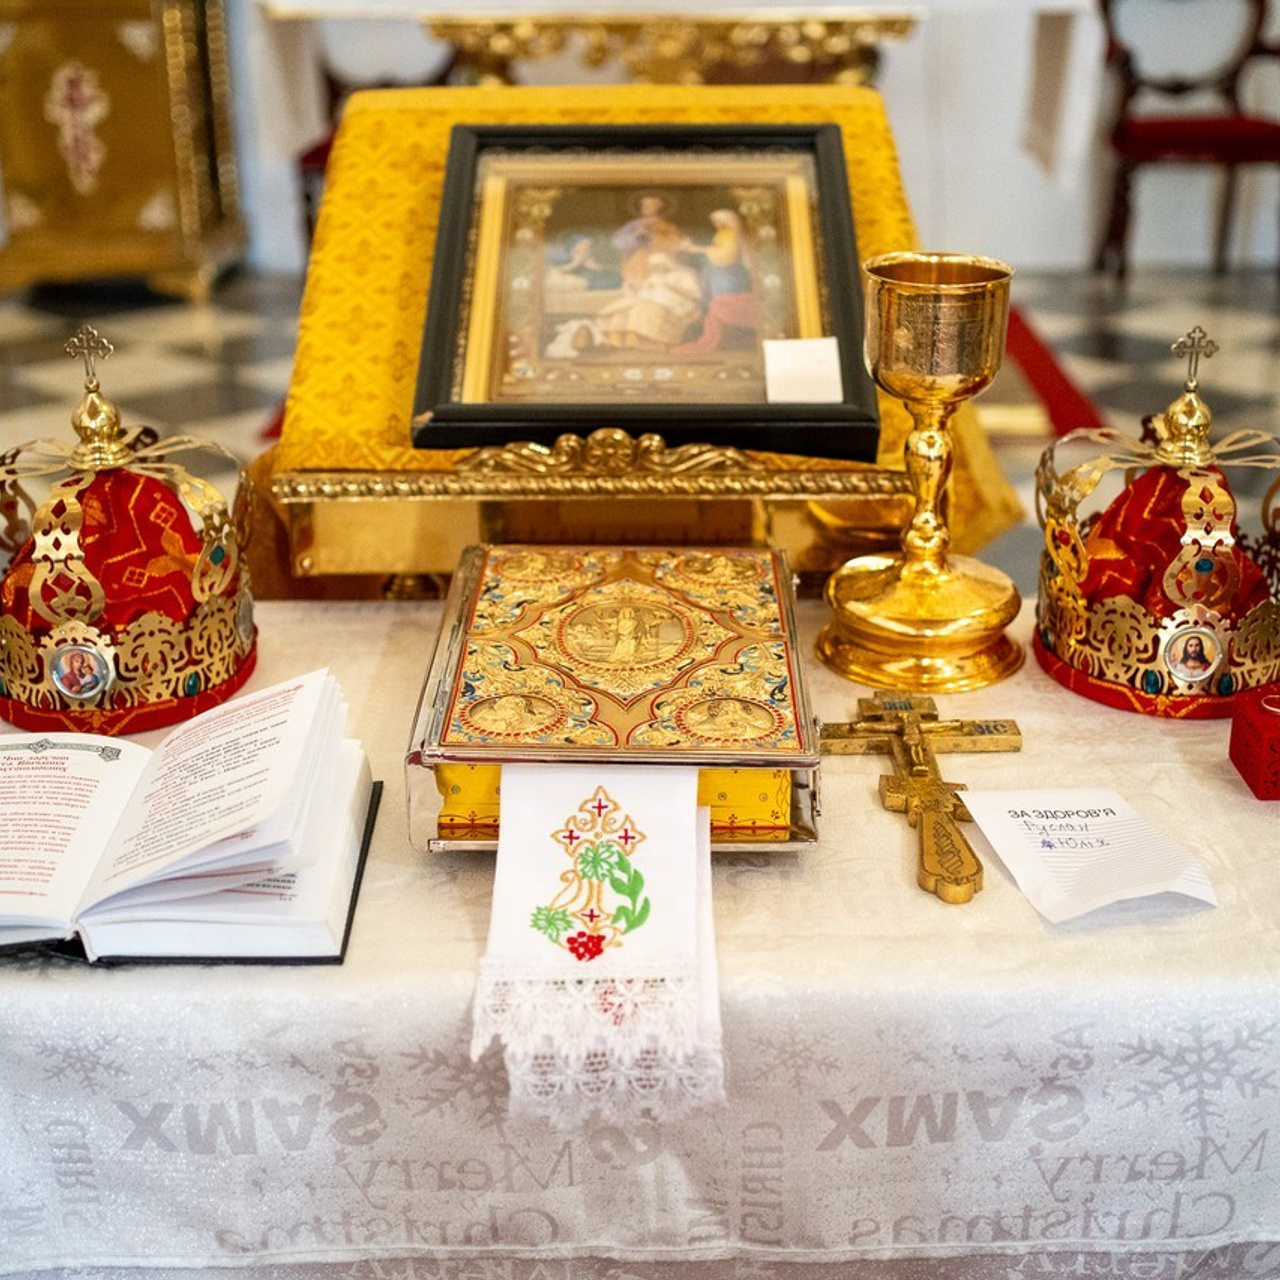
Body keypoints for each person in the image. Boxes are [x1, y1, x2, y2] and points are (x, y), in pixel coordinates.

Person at [675, 209, 761, 354]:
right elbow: (715, 252)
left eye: (719, 221)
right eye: (715, 221)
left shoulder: (732, 236)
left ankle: (728, 340)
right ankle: (719, 337)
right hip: (716, 275)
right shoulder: (722, 234)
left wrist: (699, 249)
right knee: (714, 305)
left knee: (723, 304)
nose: (717, 224)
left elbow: (726, 257)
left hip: (728, 275)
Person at [598, 252, 704, 350]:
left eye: (659, 265)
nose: (656, 268)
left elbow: (695, 296)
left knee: (649, 308)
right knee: (622, 309)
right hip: (650, 299)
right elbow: (644, 291)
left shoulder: (684, 275)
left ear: (667, 263)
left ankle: (653, 341)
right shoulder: (654, 277)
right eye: (654, 265)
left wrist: (669, 288)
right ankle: (618, 339)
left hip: (680, 303)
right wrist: (634, 288)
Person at [611, 195, 683, 290]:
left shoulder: (667, 227)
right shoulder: (633, 225)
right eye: (645, 205)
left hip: (659, 268)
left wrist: (656, 236)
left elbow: (676, 245)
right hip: (635, 268)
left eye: (652, 205)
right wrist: (636, 236)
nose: (648, 208)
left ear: (659, 207)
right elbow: (617, 242)